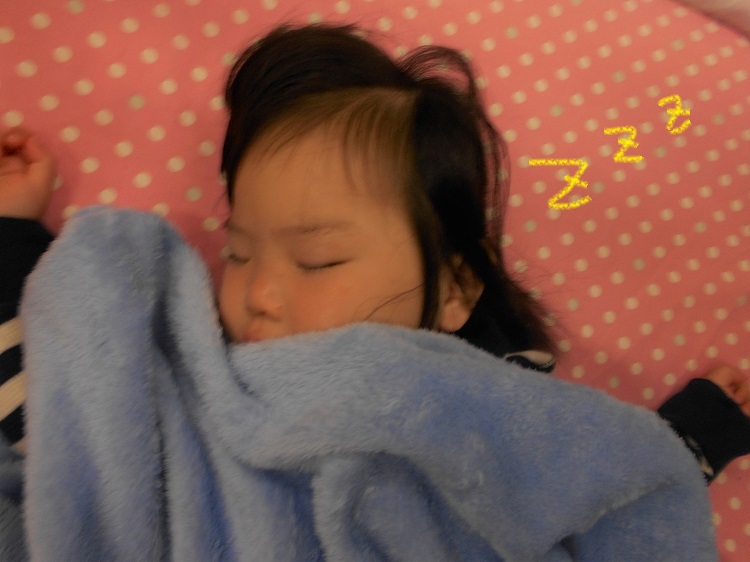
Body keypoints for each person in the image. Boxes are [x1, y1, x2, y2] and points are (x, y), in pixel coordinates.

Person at [1, 23, 749, 481]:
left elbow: (590, 492)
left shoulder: (497, 413)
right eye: (237, 253)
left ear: (454, 291)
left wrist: (684, 442)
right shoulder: (211, 381)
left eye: (318, 262)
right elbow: (70, 420)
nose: (257, 294)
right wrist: (12, 240)